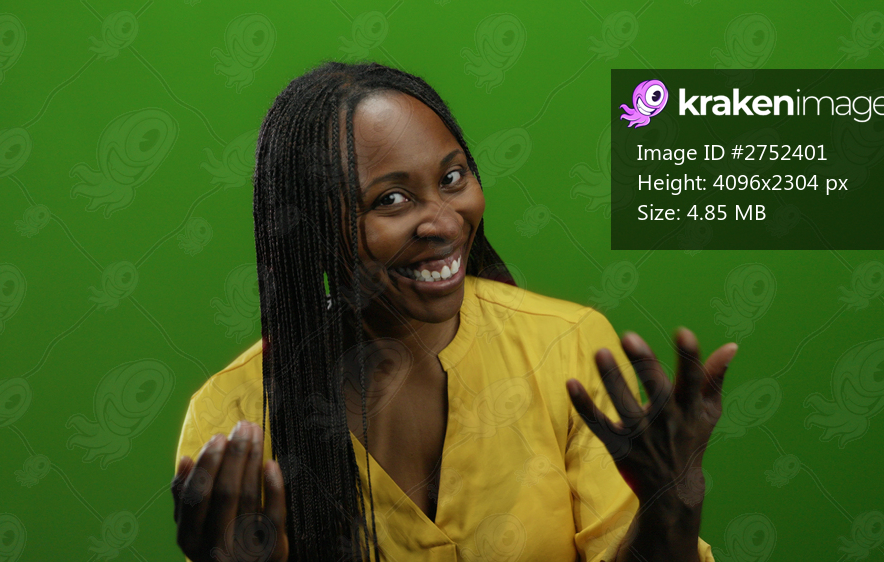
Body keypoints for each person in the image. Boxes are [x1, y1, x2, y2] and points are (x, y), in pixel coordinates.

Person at [171, 61, 738, 562]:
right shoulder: (234, 413)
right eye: (391, 199)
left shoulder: (566, 345)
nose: (445, 222)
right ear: (311, 229)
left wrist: (673, 501)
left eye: (452, 178)